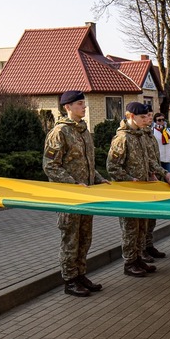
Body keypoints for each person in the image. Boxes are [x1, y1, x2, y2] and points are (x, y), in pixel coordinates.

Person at [44, 90, 108, 297]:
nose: (84, 107)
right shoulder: (60, 132)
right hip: (69, 197)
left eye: (84, 103)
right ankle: (70, 280)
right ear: (67, 107)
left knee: (84, 238)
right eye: (80, 104)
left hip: (86, 197)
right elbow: (50, 166)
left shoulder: (83, 131)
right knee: (70, 239)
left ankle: (81, 274)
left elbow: (88, 165)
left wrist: (99, 179)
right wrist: (73, 184)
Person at [108, 102, 170, 278]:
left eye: (146, 116)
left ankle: (138, 259)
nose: (146, 120)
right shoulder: (122, 138)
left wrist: (164, 173)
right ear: (130, 116)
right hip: (129, 193)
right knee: (130, 229)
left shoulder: (141, 136)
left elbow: (149, 161)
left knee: (142, 227)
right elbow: (112, 167)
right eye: (142, 117)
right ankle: (129, 263)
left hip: (143, 191)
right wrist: (130, 179)